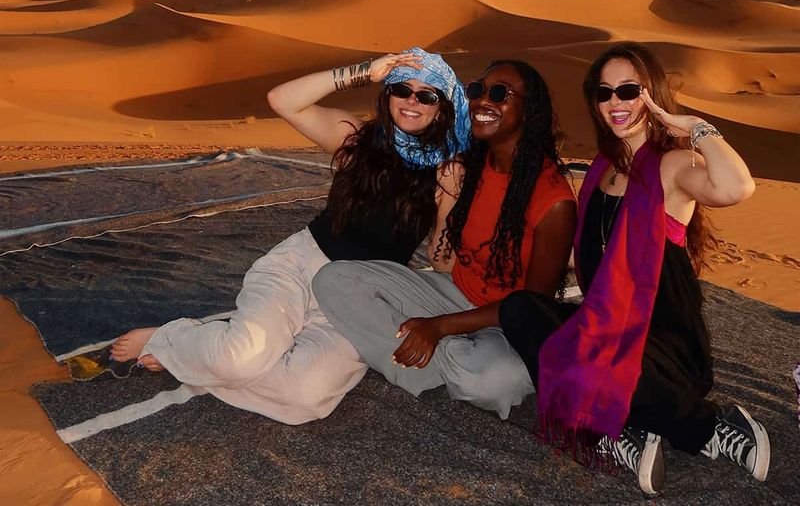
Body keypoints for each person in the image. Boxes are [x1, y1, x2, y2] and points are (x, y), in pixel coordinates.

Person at [110, 47, 471, 424]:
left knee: (304, 400)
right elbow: (282, 100)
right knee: (240, 358)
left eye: (426, 95)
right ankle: (178, 338)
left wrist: (451, 197)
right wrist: (365, 71)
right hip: (303, 266)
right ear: (388, 93)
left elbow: (441, 261)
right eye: (401, 89)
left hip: (363, 298)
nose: (411, 102)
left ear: (442, 106)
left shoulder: (448, 170)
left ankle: (213, 353)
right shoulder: (356, 139)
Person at [499, 42, 768, 495]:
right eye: (605, 93)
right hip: (605, 325)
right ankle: (625, 425)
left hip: (661, 343)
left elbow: (736, 186)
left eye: (629, 90)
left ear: (653, 94)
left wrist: (694, 127)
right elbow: (588, 252)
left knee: (592, 357)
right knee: (519, 311)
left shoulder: (674, 164)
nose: (615, 104)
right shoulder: (601, 169)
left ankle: (710, 428)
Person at [312, 60, 577, 419]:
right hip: (452, 292)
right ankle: (440, 357)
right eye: (477, 91)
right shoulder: (470, 166)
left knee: (492, 380)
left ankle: (430, 353)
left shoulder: (553, 200)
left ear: (529, 110)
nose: (484, 101)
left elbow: (532, 309)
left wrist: (438, 327)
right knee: (335, 279)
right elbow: (443, 258)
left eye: (499, 94)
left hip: (507, 325)